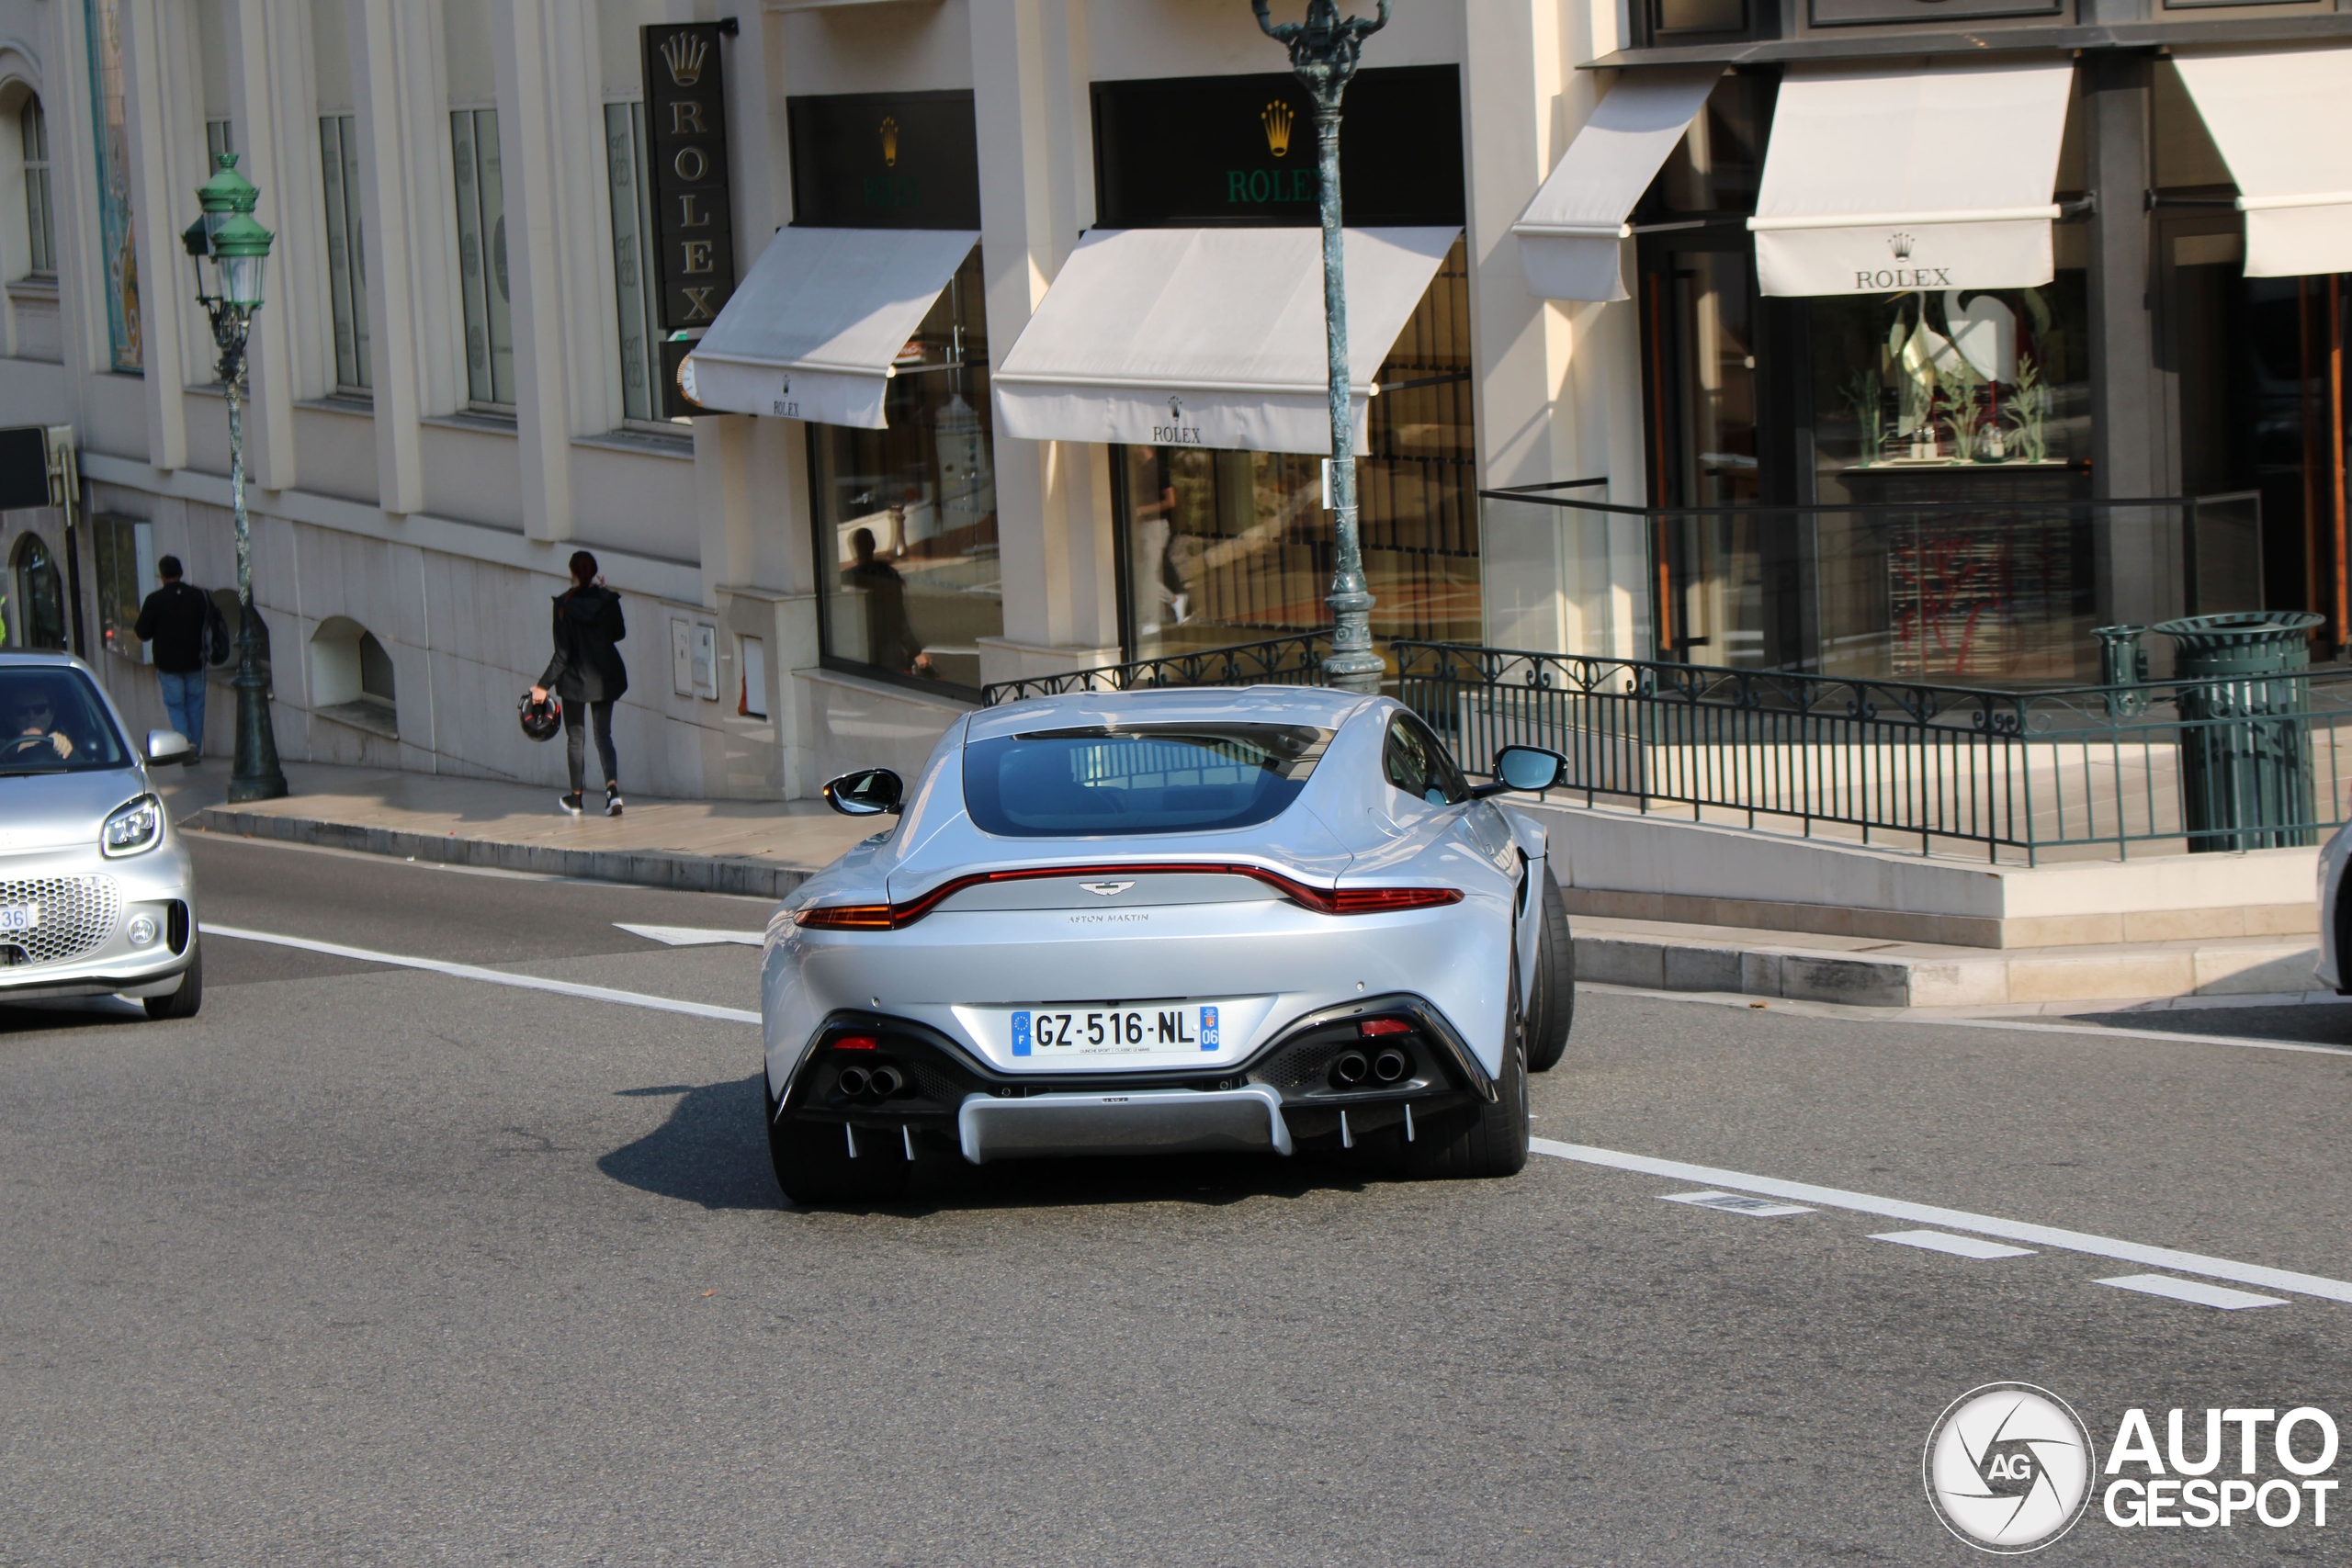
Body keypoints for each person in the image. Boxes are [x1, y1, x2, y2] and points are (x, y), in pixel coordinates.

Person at [530, 549, 628, 817]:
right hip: (606, 677)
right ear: (594, 572)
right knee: (603, 735)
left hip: (575, 681)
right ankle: (612, 793)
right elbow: (618, 634)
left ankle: (576, 799)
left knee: (576, 739)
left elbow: (563, 654)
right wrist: (606, 598)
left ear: (572, 573)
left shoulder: (563, 605)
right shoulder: (607, 600)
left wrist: (542, 686)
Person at [132, 555, 224, 760]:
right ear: (181, 573)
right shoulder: (198, 596)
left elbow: (142, 633)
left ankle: (185, 745)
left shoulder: (154, 600)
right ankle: (194, 748)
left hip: (168, 664)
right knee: (196, 704)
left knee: (176, 706)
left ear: (162, 576)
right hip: (196, 659)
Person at [842, 525, 918, 673]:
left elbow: (898, 613)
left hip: (882, 639)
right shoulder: (884, 573)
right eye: (862, 543)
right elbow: (899, 614)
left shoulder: (853, 576)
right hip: (876, 640)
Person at [2, 679, 74, 761]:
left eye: (40, 709)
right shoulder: (3, 751)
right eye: (21, 710)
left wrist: (65, 748)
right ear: (10, 718)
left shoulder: (69, 744)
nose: (31, 716)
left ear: (52, 713)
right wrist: (14, 750)